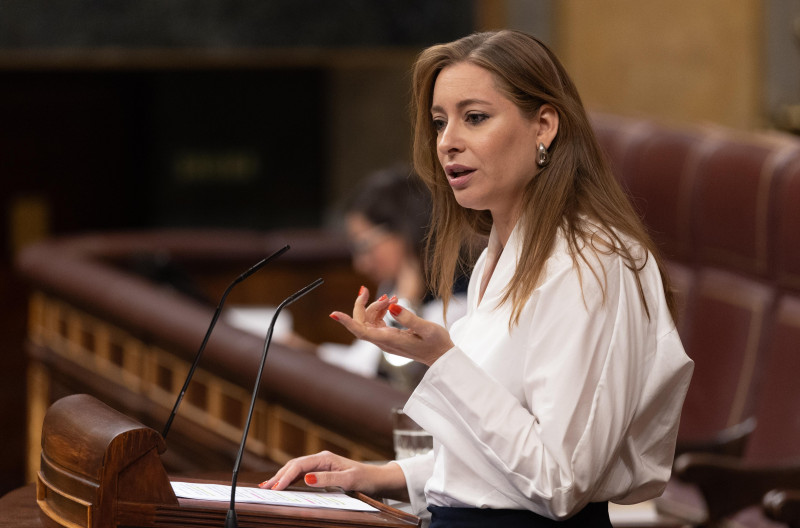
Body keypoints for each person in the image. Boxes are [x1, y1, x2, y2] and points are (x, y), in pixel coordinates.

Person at [260, 29, 693, 526]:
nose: (447, 142)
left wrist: (441, 359)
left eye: (475, 118)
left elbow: (559, 483)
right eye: (439, 122)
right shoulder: (494, 257)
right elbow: (497, 467)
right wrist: (378, 475)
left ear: (544, 126)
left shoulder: (591, 262)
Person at [316, 164, 468, 387]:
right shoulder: (394, 285)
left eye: (363, 245)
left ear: (404, 231)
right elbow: (361, 362)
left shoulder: (458, 301)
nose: (359, 264)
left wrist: (407, 302)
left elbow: (392, 380)